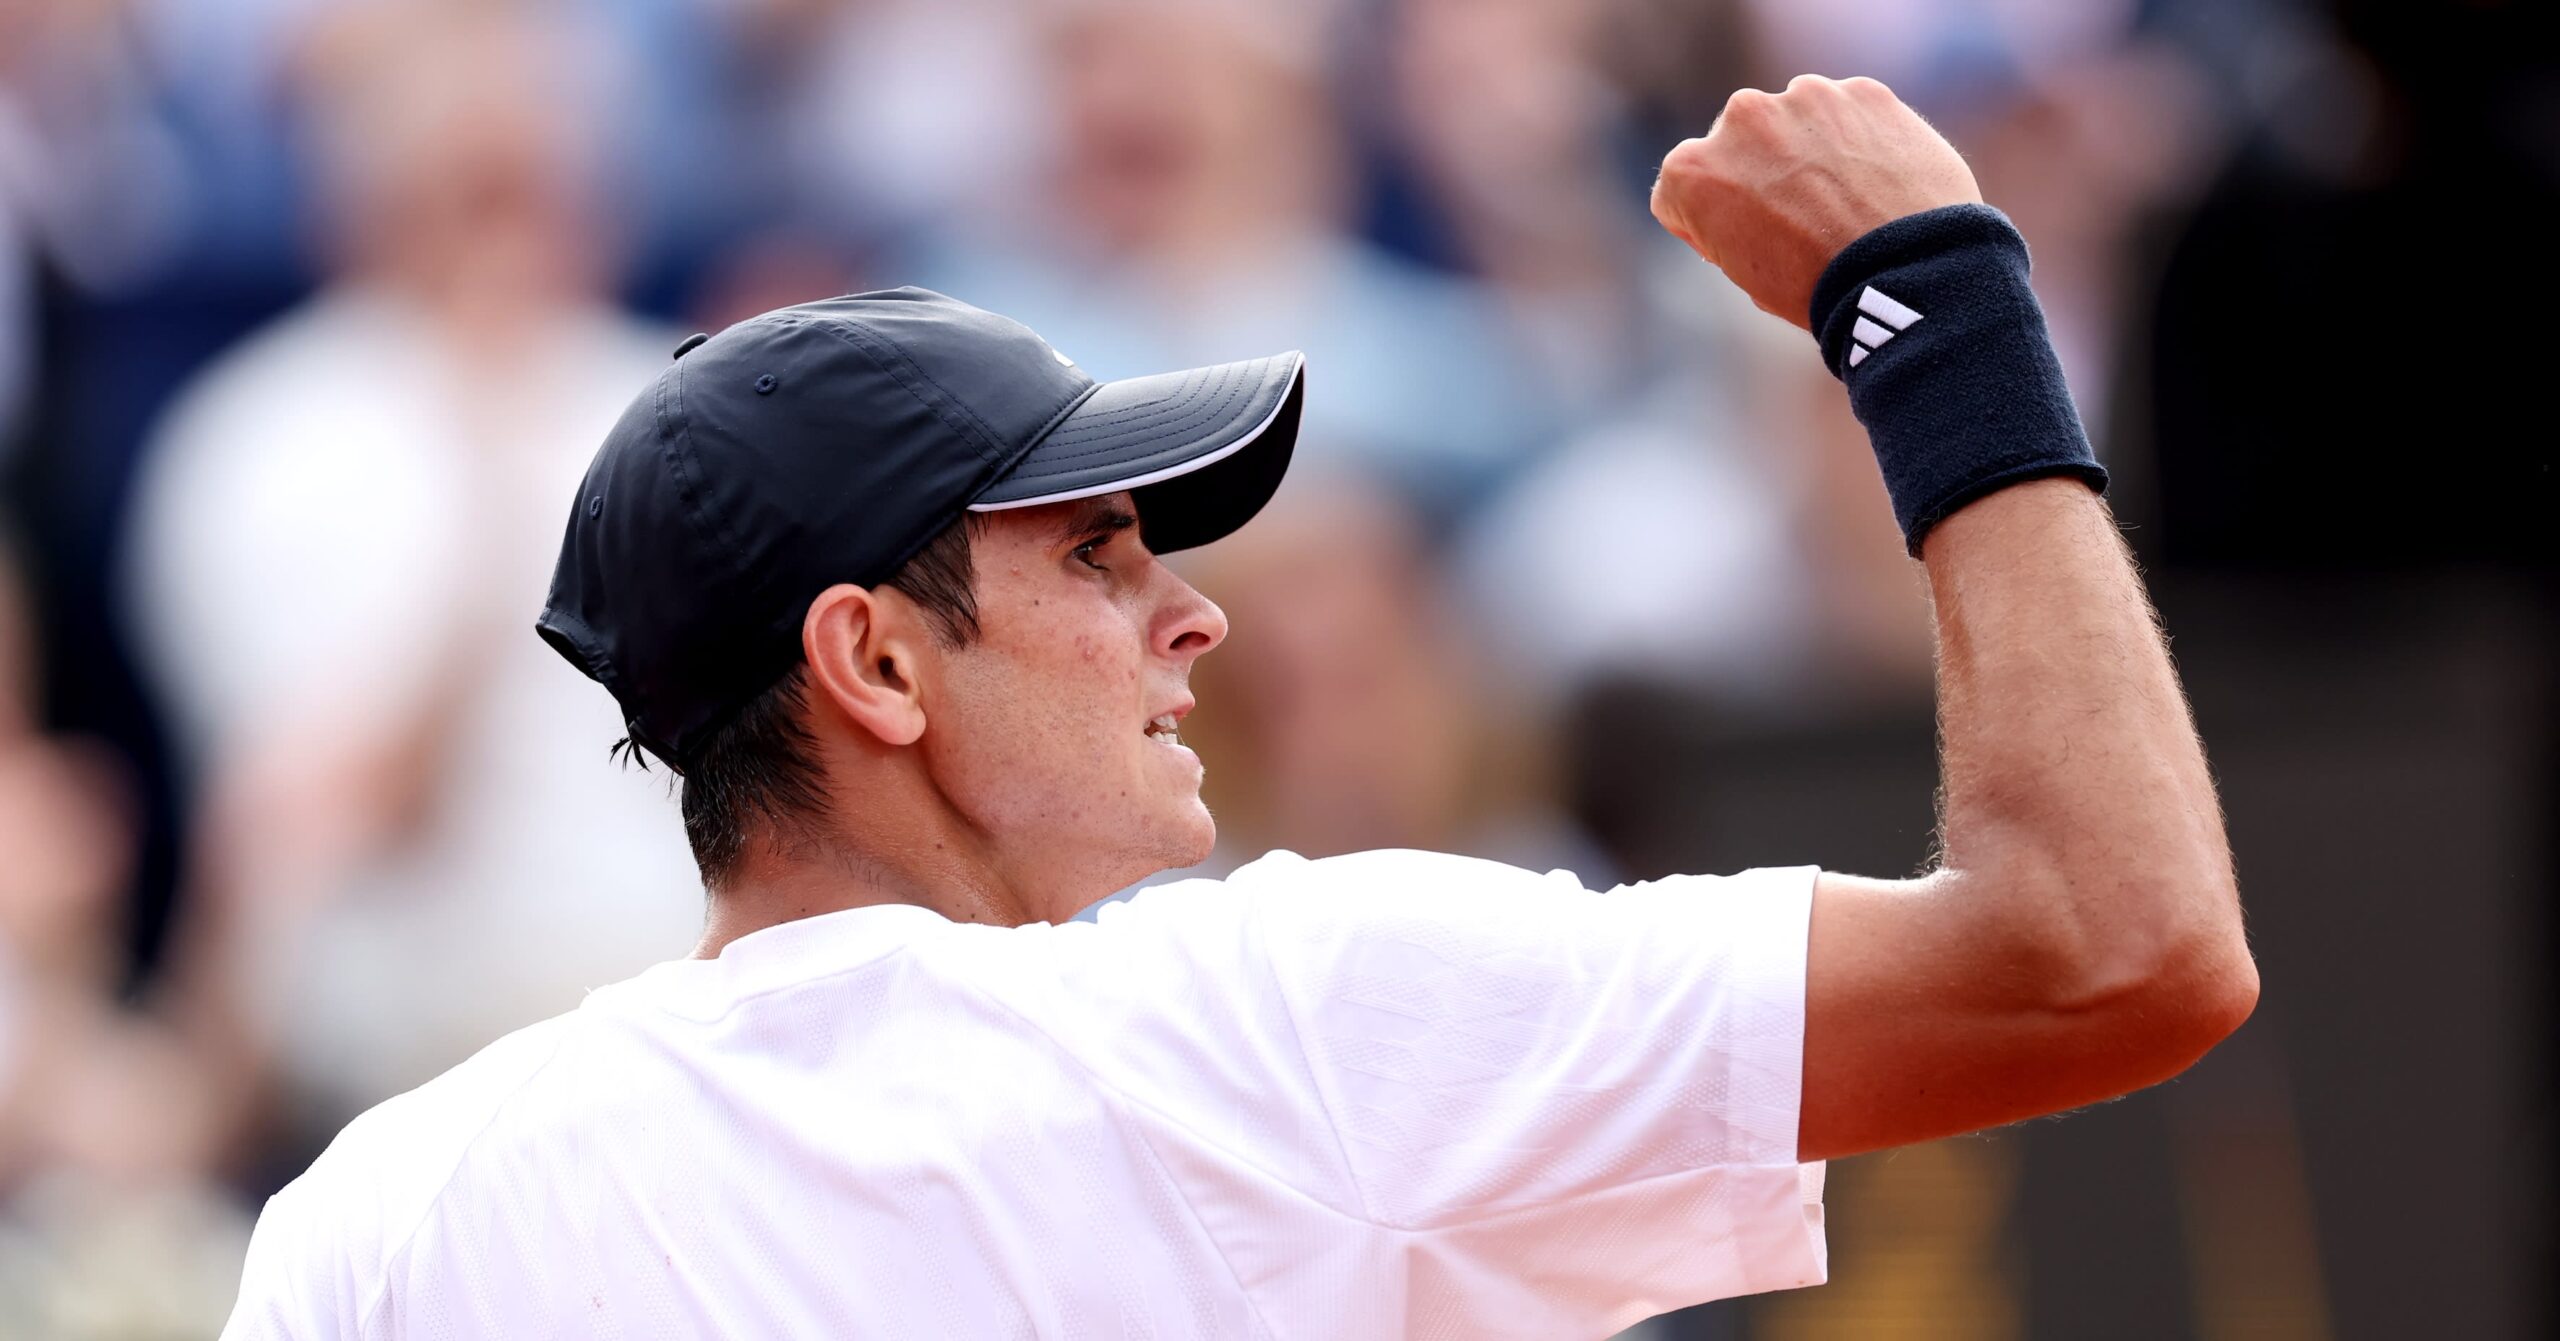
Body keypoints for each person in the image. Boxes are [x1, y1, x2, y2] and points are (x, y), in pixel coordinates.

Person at [221, 76, 2257, 1338]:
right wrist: (1935, 305)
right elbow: (2110, 942)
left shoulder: (384, 1223)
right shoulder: (1276, 1024)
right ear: (876, 663)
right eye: (1096, 556)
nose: (1196, 618)